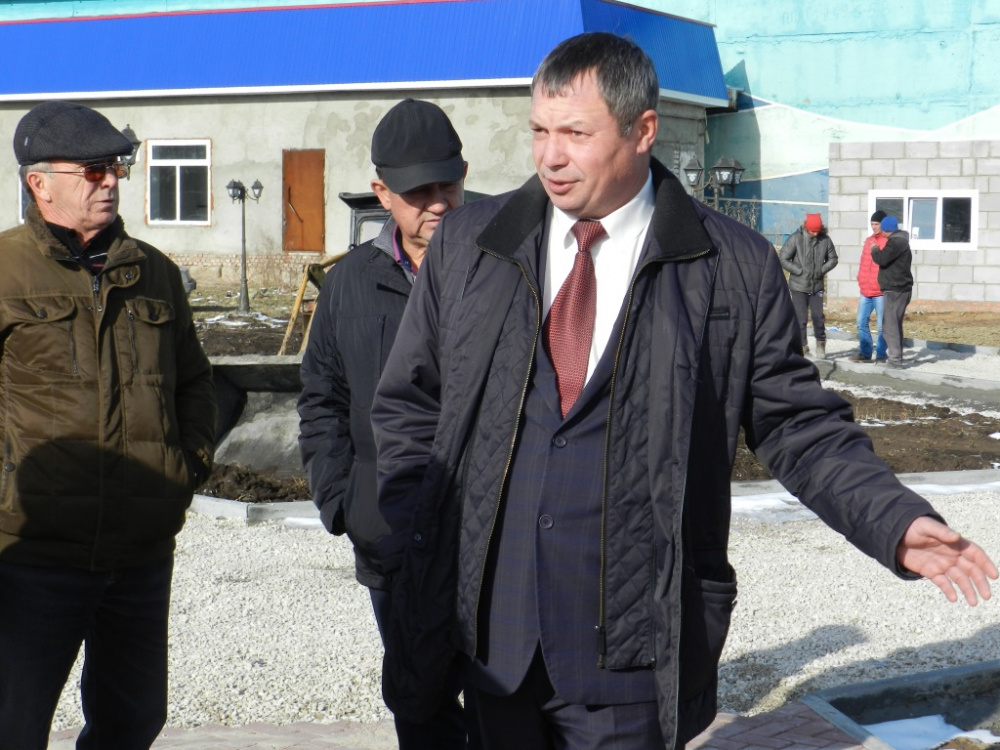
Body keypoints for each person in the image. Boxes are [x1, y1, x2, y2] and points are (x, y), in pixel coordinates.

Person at [371, 32, 996, 750]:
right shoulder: (472, 243)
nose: (550, 156)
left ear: (643, 130)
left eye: (576, 134)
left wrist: (892, 519)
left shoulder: (732, 267)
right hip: (492, 637)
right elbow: (410, 404)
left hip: (632, 648)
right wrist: (417, 537)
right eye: (540, 131)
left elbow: (797, 424)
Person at [0, 101, 217, 749]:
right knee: (13, 726)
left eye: (116, 168)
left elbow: (194, 384)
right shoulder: (5, 271)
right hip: (33, 554)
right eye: (92, 170)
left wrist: (181, 470)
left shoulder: (154, 273)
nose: (110, 182)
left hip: (139, 554)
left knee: (133, 721)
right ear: (39, 183)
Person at [297, 98, 478, 749]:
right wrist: (345, 504)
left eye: (447, 185)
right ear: (382, 193)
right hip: (392, 535)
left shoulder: (506, 266)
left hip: (492, 535)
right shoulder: (349, 284)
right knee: (420, 703)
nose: (437, 203)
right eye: (417, 192)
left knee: (506, 704)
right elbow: (321, 398)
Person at [780, 212, 838, 358]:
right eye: (812, 231)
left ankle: (820, 343)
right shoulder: (795, 239)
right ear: (806, 227)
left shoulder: (825, 240)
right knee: (801, 319)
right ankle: (803, 347)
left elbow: (833, 259)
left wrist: (821, 270)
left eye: (817, 231)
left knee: (818, 317)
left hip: (817, 286)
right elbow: (783, 258)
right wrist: (799, 271)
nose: (815, 233)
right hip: (798, 286)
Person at [870, 215, 913, 369]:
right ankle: (896, 358)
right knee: (894, 324)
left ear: (887, 230)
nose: (880, 231)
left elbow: (882, 259)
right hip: (900, 289)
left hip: (896, 290)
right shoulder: (900, 241)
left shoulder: (896, 242)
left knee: (890, 327)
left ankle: (895, 361)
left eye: (882, 229)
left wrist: (874, 249)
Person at [848, 210, 889, 363]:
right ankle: (865, 353)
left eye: (877, 224)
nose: (874, 227)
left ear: (883, 224)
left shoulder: (887, 242)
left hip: (880, 292)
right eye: (872, 224)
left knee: (881, 326)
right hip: (865, 290)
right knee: (861, 323)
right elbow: (863, 262)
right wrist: (860, 279)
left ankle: (881, 355)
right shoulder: (868, 241)